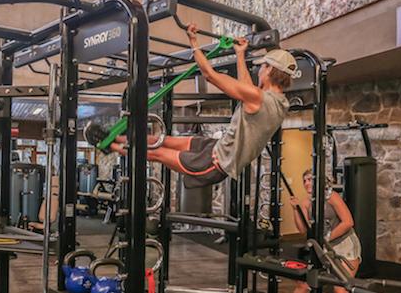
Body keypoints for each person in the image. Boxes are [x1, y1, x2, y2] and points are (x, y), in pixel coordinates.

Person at [109, 23, 294, 188]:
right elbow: (247, 89)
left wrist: (194, 42)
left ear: (269, 70)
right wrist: (240, 54)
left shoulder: (259, 97)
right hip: (216, 146)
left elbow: (209, 75)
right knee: (164, 140)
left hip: (214, 164)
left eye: (263, 66)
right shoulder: (279, 103)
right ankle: (116, 138)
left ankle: (108, 146)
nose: (260, 70)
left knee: (157, 152)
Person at [274, 170, 361, 293]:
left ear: (321, 181)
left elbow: (348, 222)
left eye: (310, 180)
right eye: (304, 180)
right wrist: (296, 209)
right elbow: (304, 229)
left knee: (341, 291)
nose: (306, 183)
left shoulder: (332, 197)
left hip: (344, 246)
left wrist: (326, 239)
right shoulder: (307, 201)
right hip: (322, 247)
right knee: (303, 283)